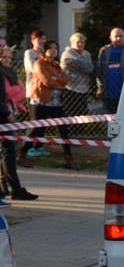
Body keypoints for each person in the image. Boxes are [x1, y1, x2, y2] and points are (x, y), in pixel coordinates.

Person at [32, 40, 78, 170]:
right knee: (37, 130)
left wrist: (56, 80)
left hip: (56, 103)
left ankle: (69, 159)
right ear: (45, 50)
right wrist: (58, 82)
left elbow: (65, 80)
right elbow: (47, 82)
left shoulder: (56, 65)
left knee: (64, 129)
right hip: (43, 101)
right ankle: (23, 154)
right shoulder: (39, 64)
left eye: (55, 48)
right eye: (51, 48)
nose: (54, 50)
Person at [0, 48, 37, 199]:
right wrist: (6, 111)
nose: (7, 59)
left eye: (9, 57)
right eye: (4, 56)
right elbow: (6, 94)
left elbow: (21, 91)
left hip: (6, 112)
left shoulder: (9, 73)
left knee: (7, 151)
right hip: (3, 114)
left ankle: (8, 187)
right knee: (8, 151)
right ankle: (15, 189)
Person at [19, 30, 48, 162]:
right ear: (33, 40)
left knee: (43, 121)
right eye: (39, 39)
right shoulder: (29, 53)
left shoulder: (44, 54)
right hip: (33, 91)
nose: (41, 41)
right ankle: (27, 147)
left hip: (45, 91)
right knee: (35, 121)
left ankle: (38, 146)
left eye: (43, 39)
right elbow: (32, 68)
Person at [97, 27, 124, 114]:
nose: (119, 38)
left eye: (121, 36)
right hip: (109, 91)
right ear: (110, 37)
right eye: (116, 36)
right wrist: (100, 88)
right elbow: (99, 71)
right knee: (111, 116)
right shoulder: (104, 50)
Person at [61, 32, 94, 122]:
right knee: (70, 114)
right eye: (78, 42)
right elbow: (85, 66)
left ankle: (81, 134)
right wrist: (83, 64)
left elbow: (89, 69)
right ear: (72, 43)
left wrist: (77, 63)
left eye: (82, 42)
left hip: (83, 88)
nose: (80, 44)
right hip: (70, 88)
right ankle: (70, 134)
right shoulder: (67, 53)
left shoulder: (87, 54)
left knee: (83, 115)